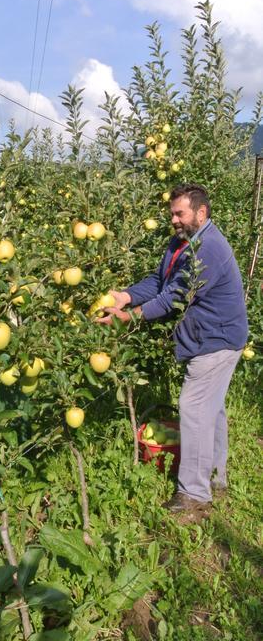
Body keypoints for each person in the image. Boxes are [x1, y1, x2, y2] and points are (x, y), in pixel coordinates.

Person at [96, 183, 248, 516]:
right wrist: (126, 296)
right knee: (211, 408)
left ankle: (194, 496)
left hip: (217, 341)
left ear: (201, 212)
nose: (174, 219)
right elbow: (160, 280)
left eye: (180, 213)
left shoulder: (208, 248)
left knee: (193, 408)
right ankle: (217, 478)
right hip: (211, 337)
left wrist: (129, 318)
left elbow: (175, 297)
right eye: (172, 214)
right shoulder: (182, 243)